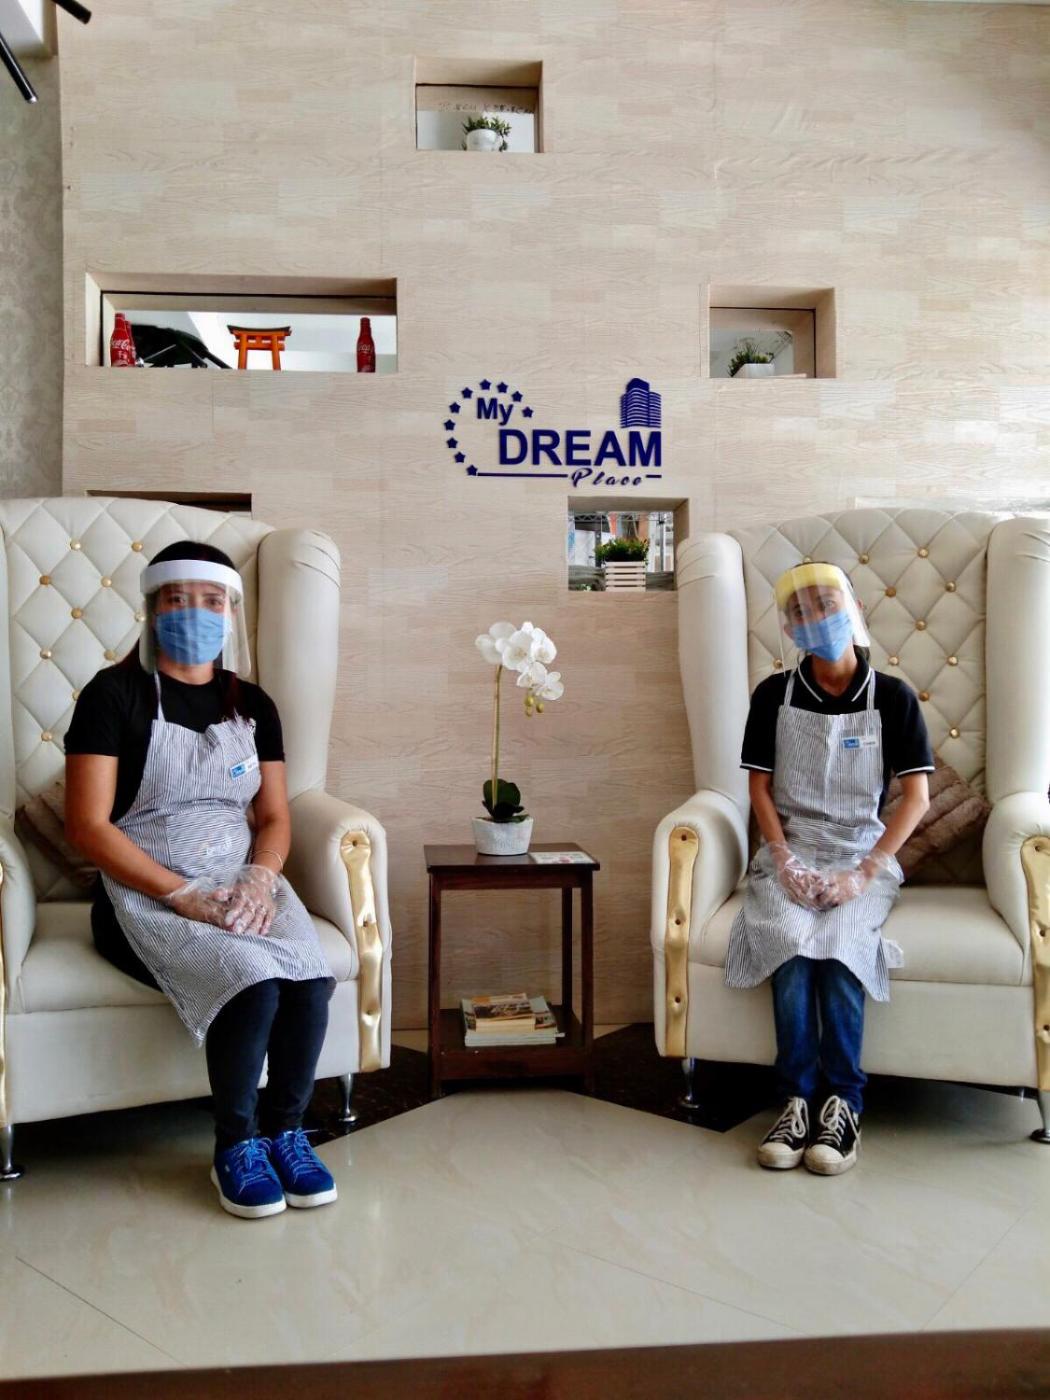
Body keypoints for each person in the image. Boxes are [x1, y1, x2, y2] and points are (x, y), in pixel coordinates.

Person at [65, 541, 338, 1219]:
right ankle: (234, 1148)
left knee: (310, 978)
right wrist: (181, 894)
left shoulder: (254, 705)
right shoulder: (111, 695)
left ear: (231, 612)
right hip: (143, 893)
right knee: (254, 981)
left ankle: (286, 1134)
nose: (195, 612)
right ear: (152, 609)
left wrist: (259, 878)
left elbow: (273, 816)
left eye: (211, 600)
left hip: (241, 879)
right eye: (177, 599)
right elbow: (87, 826)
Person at [725, 561, 932, 1176]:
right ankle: (794, 1101)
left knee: (842, 944)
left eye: (826, 605)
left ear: (854, 610)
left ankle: (844, 1104)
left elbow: (917, 798)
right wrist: (783, 858)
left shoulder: (892, 697)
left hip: (861, 853)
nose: (816, 619)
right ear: (790, 629)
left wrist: (863, 873)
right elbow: (759, 789)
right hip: (789, 850)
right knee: (790, 941)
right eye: (801, 612)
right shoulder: (773, 695)